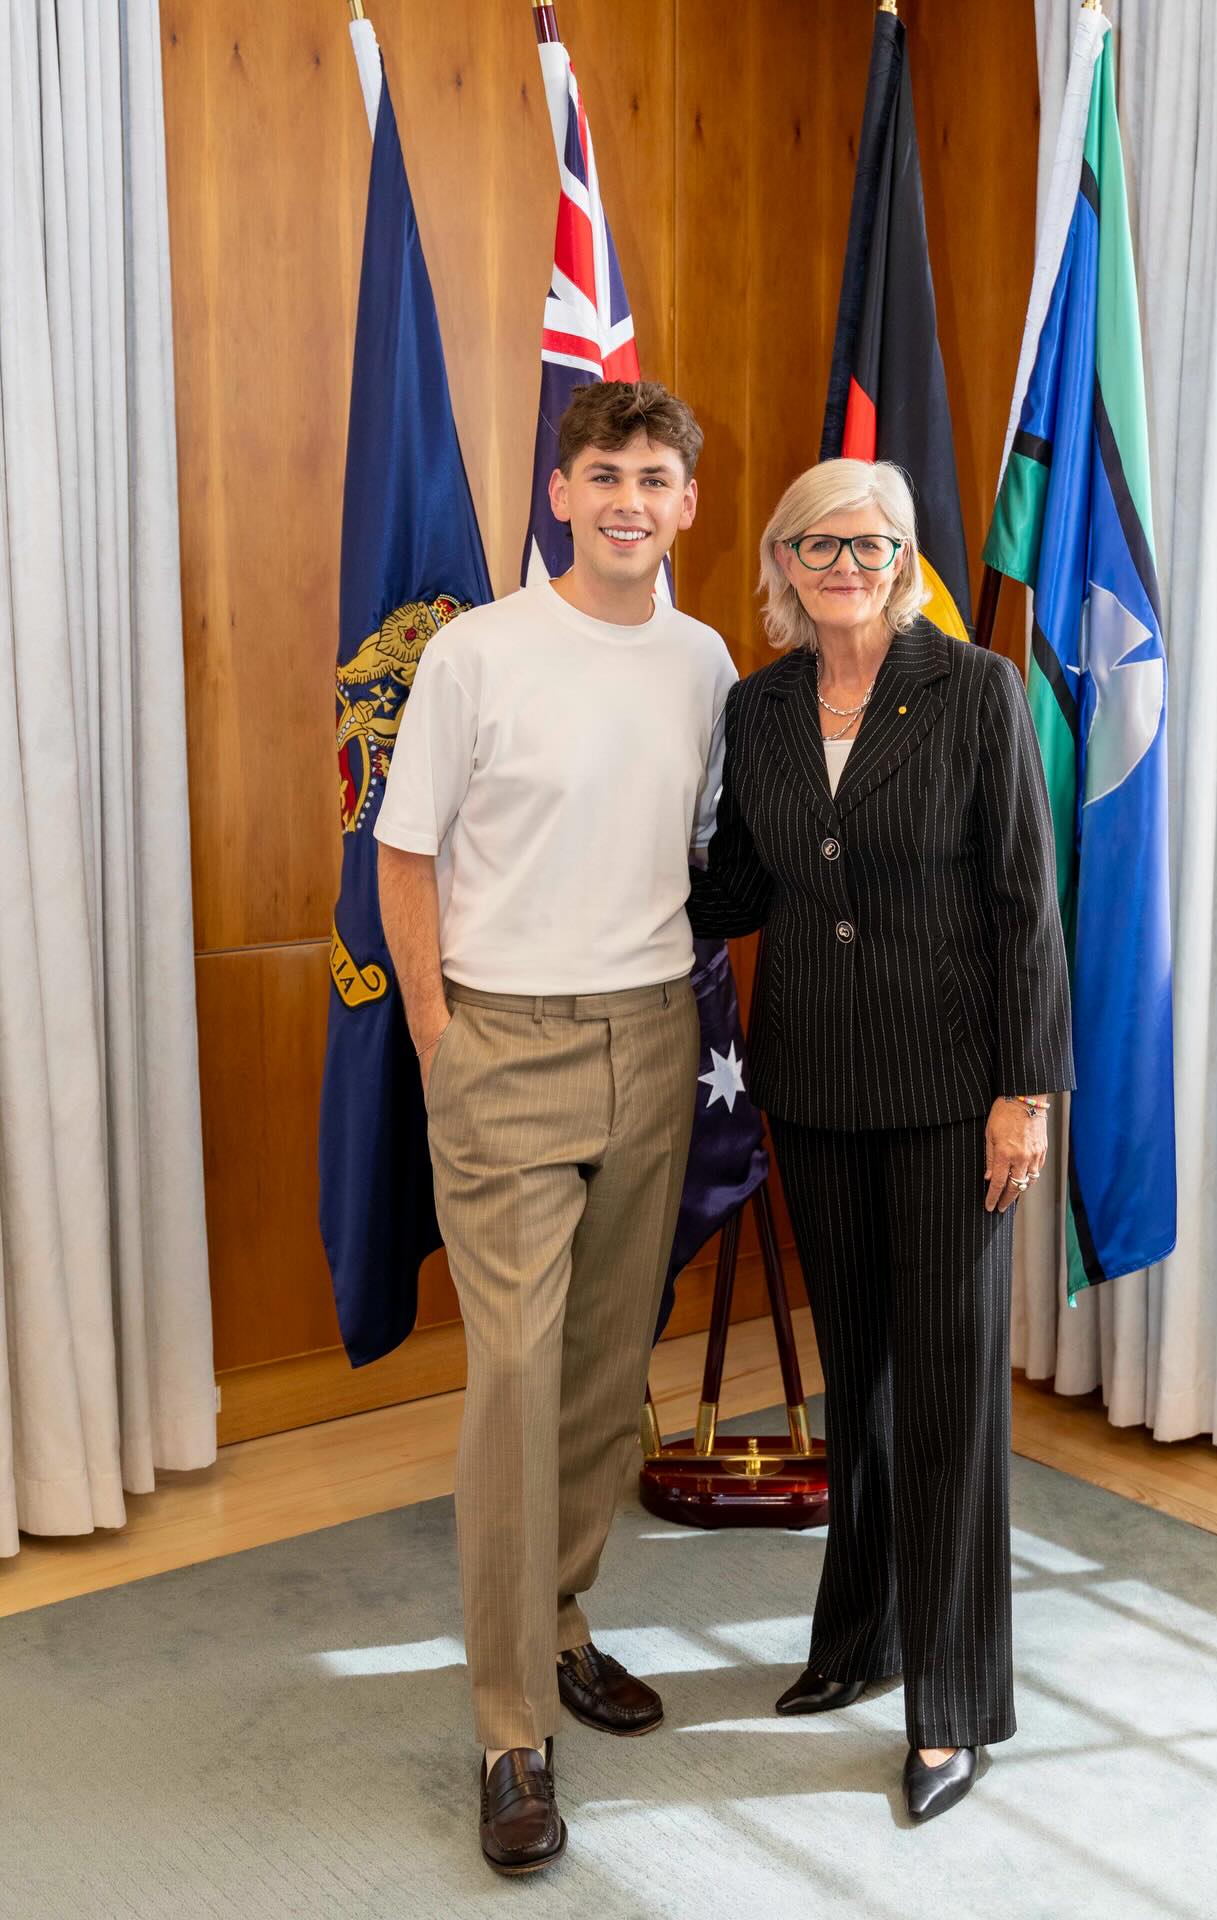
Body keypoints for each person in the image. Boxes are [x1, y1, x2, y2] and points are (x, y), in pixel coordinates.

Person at [375, 381, 734, 1876]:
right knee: (516, 1372)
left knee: (600, 1370)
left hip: (655, 1035)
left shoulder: (710, 660)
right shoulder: (478, 651)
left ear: (689, 503)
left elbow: (709, 847)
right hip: (503, 1041)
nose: (629, 499)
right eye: (605, 473)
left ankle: (566, 1613)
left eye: (656, 475)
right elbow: (404, 857)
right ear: (562, 492)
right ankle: (509, 1720)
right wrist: (440, 1040)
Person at [688, 458, 1073, 1825]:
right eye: (816, 542)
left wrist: (1026, 1093)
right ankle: (859, 1640)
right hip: (815, 1088)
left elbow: (1026, 900)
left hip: (956, 1093)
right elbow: (735, 874)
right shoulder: (759, 703)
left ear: (904, 556)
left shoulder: (972, 689)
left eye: (870, 540)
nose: (843, 561)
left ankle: (956, 1703)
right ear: (782, 562)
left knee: (953, 1393)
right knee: (860, 1385)